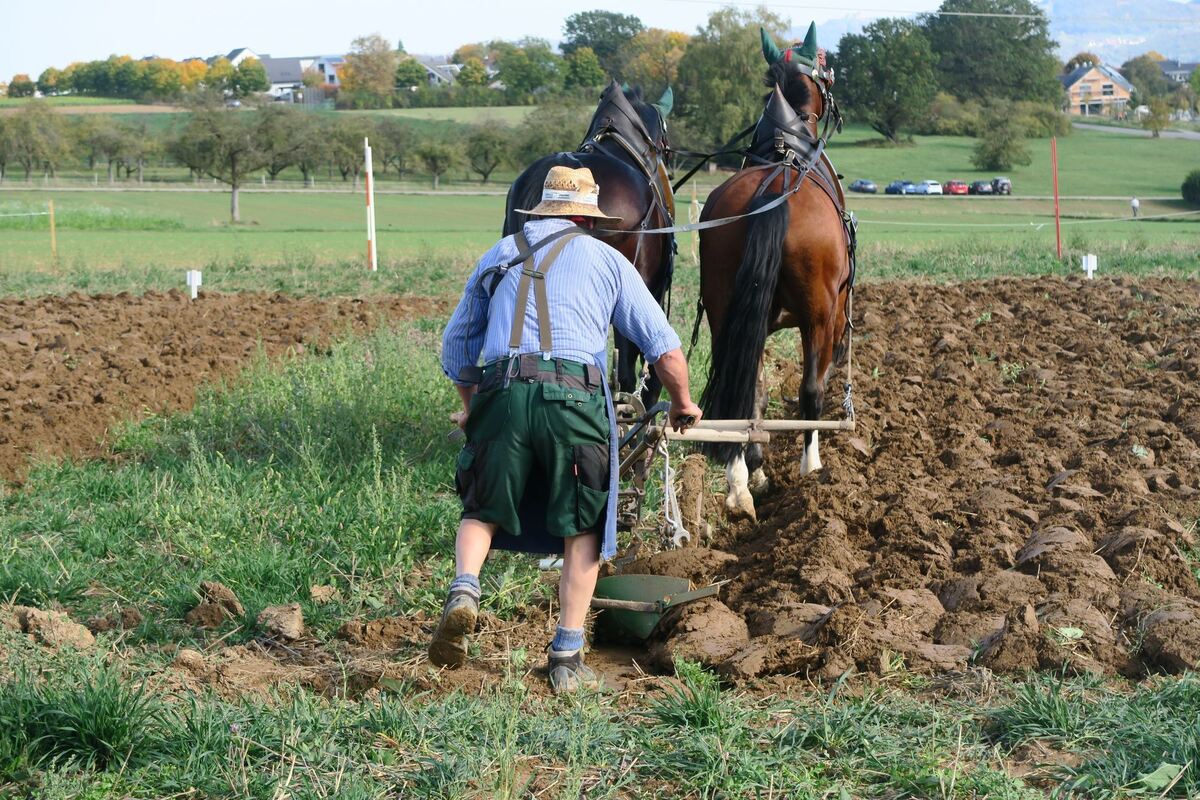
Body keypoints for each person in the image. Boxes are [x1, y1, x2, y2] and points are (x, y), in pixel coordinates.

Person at [435, 166, 701, 693]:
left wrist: (472, 407)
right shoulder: (608, 260)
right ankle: (566, 658)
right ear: (585, 215)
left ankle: (465, 590)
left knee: (481, 507)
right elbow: (665, 350)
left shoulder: (500, 253)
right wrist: (682, 403)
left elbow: (457, 348)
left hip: (502, 392)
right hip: (574, 400)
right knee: (583, 526)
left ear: (542, 210)